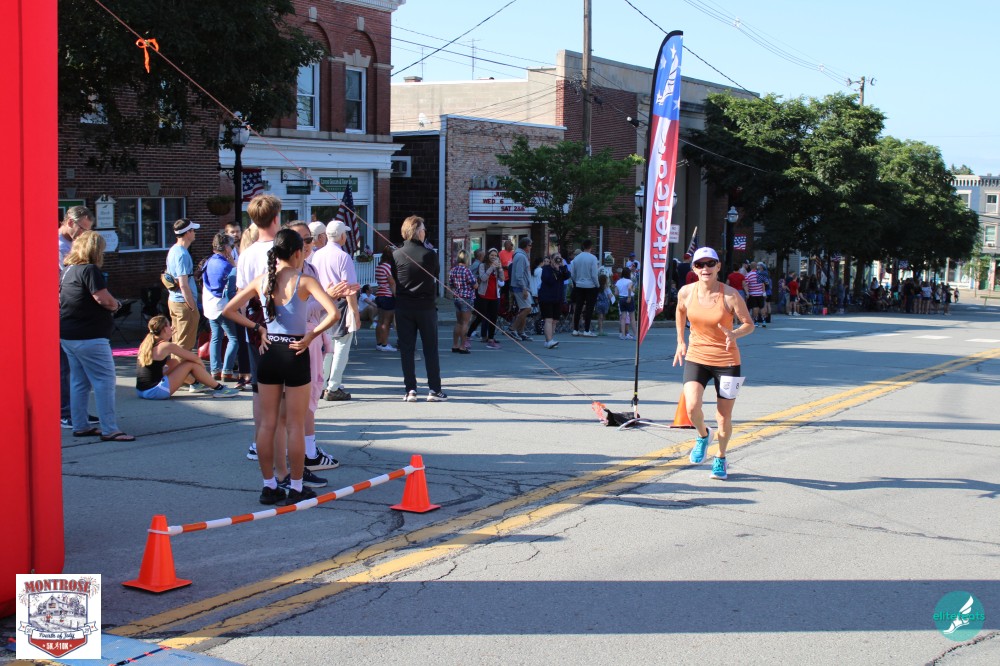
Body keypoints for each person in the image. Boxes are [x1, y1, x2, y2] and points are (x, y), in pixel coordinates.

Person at [223, 229, 341, 506]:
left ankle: (269, 486)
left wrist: (257, 328)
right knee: (295, 425)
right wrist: (311, 335)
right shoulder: (304, 280)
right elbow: (333, 313)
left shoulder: (263, 280)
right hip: (295, 351)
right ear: (298, 253)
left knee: (268, 424)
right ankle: (296, 487)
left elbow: (228, 310)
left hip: (269, 351)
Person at [673, 247, 754, 480]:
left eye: (710, 264)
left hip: (727, 361)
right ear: (694, 268)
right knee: (691, 407)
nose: (705, 268)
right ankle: (702, 435)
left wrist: (734, 334)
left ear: (718, 266)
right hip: (697, 356)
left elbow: (749, 324)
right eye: (700, 264)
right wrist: (680, 341)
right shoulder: (686, 292)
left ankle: (720, 456)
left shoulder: (730, 295)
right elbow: (680, 311)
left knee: (723, 417)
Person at [59, 231, 135, 442]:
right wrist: (117, 305)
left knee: (79, 381)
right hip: (90, 336)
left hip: (69, 335)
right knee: (105, 381)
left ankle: (80, 425)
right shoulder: (90, 270)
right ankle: (110, 429)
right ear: (95, 250)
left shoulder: (68, 270)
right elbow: (103, 299)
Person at [393, 215, 446, 401]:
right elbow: (436, 274)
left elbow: (395, 278)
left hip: (404, 307)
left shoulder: (396, 254)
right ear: (417, 231)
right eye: (423, 229)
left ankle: (410, 390)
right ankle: (434, 389)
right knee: (430, 349)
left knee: (407, 350)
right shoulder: (430, 254)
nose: (425, 232)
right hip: (425, 307)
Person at [58, 206, 99, 429]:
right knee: (65, 367)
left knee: (76, 370)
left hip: (73, 314)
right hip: (63, 313)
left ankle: (77, 411)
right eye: (82, 229)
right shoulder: (58, 247)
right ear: (70, 222)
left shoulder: (73, 245)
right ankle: (65, 412)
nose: (84, 235)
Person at [313, 219, 361, 402]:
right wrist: (355, 312)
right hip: (339, 304)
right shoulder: (343, 257)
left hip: (321, 303)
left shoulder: (317, 255)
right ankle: (333, 386)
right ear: (341, 236)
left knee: (326, 346)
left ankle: (321, 384)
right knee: (341, 346)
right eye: (345, 234)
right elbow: (349, 288)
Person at [135, 316, 239, 399]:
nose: (171, 328)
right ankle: (220, 389)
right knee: (190, 364)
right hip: (156, 392)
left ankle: (195, 384)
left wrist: (168, 337)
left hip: (142, 391)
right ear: (164, 329)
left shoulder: (146, 344)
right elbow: (194, 358)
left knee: (174, 362)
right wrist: (201, 369)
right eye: (169, 325)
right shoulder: (166, 346)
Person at [201, 230, 239, 381]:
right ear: (226, 248)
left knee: (216, 337)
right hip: (223, 307)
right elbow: (232, 289)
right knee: (234, 338)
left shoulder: (208, 262)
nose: (233, 249)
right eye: (232, 246)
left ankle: (215, 370)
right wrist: (234, 265)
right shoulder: (227, 267)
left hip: (209, 305)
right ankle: (227, 371)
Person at [165, 218, 201, 353]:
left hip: (174, 300)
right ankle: (180, 367)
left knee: (177, 342)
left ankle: (177, 366)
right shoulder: (182, 254)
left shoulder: (173, 250)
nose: (195, 233)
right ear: (187, 233)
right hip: (183, 303)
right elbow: (183, 285)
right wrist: (192, 307)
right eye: (193, 230)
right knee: (184, 345)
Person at [538, 252, 570, 348]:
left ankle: (549, 340)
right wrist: (556, 269)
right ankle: (549, 340)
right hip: (547, 298)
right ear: (551, 259)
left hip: (557, 298)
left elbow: (567, 276)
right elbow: (549, 280)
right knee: (548, 319)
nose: (558, 260)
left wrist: (562, 266)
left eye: (559, 258)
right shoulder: (546, 269)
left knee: (555, 320)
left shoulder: (561, 269)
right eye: (556, 258)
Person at [570, 238, 600, 336]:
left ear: (583, 246)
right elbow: (594, 275)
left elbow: (572, 274)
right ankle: (587, 330)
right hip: (590, 286)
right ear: (591, 247)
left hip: (579, 285)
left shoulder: (576, 258)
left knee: (578, 307)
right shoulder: (593, 258)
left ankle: (575, 329)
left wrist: (576, 282)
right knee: (589, 308)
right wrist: (597, 285)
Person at [476, 248, 504, 349]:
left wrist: (500, 268)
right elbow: (483, 278)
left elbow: (502, 279)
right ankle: (473, 336)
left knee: (493, 318)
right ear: (488, 256)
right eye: (492, 255)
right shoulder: (482, 265)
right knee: (482, 316)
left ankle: (491, 339)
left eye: (495, 256)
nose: (493, 257)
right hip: (484, 295)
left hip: (494, 295)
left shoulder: (496, 267)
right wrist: (491, 267)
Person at [448, 250, 476, 354]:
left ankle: (455, 345)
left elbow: (451, 285)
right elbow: (474, 285)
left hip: (457, 297)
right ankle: (462, 346)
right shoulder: (467, 271)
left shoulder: (453, 270)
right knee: (465, 323)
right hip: (466, 298)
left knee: (458, 322)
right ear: (467, 259)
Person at [509, 237, 533, 341]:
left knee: (524, 309)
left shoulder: (522, 255)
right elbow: (519, 275)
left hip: (523, 286)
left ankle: (521, 331)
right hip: (520, 287)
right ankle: (512, 328)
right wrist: (524, 288)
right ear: (525, 246)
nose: (531, 247)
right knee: (527, 308)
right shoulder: (520, 256)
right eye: (530, 245)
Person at [374, 246, 397, 351]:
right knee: (386, 322)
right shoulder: (388, 267)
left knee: (380, 321)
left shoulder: (379, 266)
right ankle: (384, 344)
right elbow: (391, 283)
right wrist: (396, 296)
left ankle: (379, 343)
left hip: (379, 295)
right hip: (387, 296)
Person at [615, 267, 636, 340]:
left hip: (621, 299)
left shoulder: (618, 282)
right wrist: (629, 296)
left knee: (623, 318)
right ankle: (635, 335)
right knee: (632, 318)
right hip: (629, 298)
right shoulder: (629, 281)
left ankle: (623, 335)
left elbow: (616, 293)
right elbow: (630, 288)